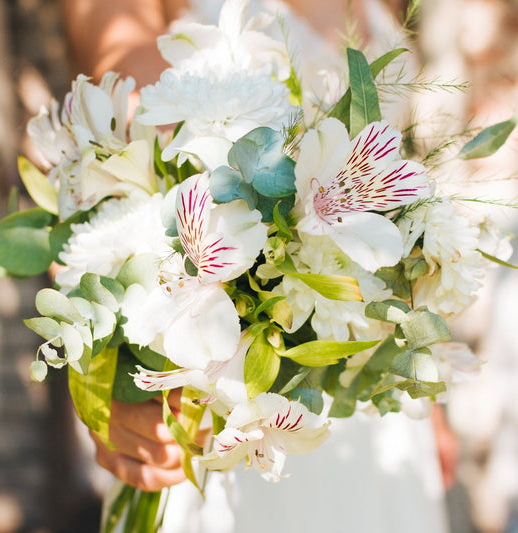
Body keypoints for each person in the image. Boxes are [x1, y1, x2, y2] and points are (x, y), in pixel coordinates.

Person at [57, 1, 455, 531]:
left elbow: (390, 224)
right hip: (221, 400)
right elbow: (126, 196)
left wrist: (419, 378)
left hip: (369, 403)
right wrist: (112, 379)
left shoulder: (380, 6)